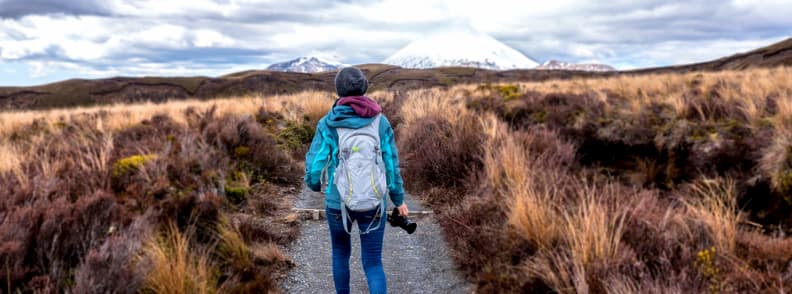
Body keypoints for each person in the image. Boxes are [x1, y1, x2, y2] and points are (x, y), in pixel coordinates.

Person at [304, 66, 408, 294]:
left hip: (336, 202)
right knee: (373, 262)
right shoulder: (380, 122)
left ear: (339, 90)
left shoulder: (327, 123)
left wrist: (315, 185)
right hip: (374, 202)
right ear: (364, 88)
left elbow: (314, 167)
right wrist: (398, 199)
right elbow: (391, 166)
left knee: (341, 254)